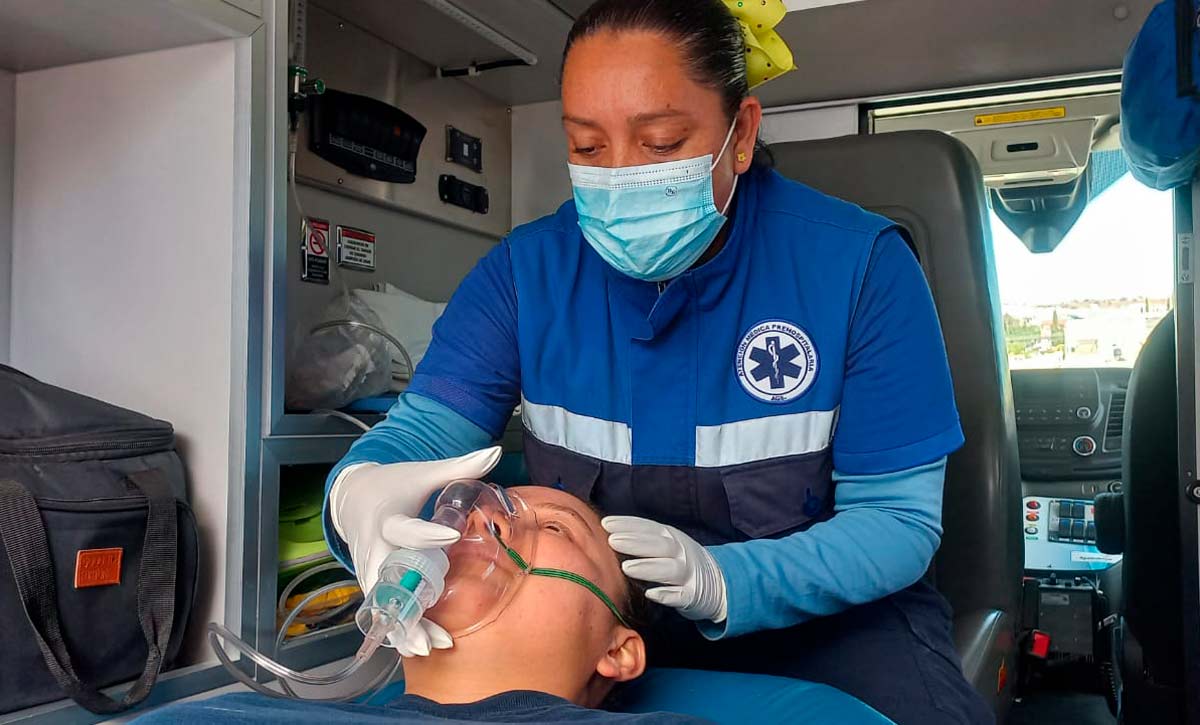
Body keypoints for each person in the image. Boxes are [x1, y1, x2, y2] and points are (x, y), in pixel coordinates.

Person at [324, 1, 990, 723]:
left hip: (835, 628)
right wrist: (357, 491)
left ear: (741, 135)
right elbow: (423, 439)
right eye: (587, 146)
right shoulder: (524, 277)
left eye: (662, 141)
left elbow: (896, 520)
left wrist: (726, 580)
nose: (620, 177)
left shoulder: (859, 269)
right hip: (600, 626)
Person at [133, 485, 711, 724]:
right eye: (494, 508)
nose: (481, 517)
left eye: (556, 529)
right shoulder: (231, 714)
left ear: (618, 651)